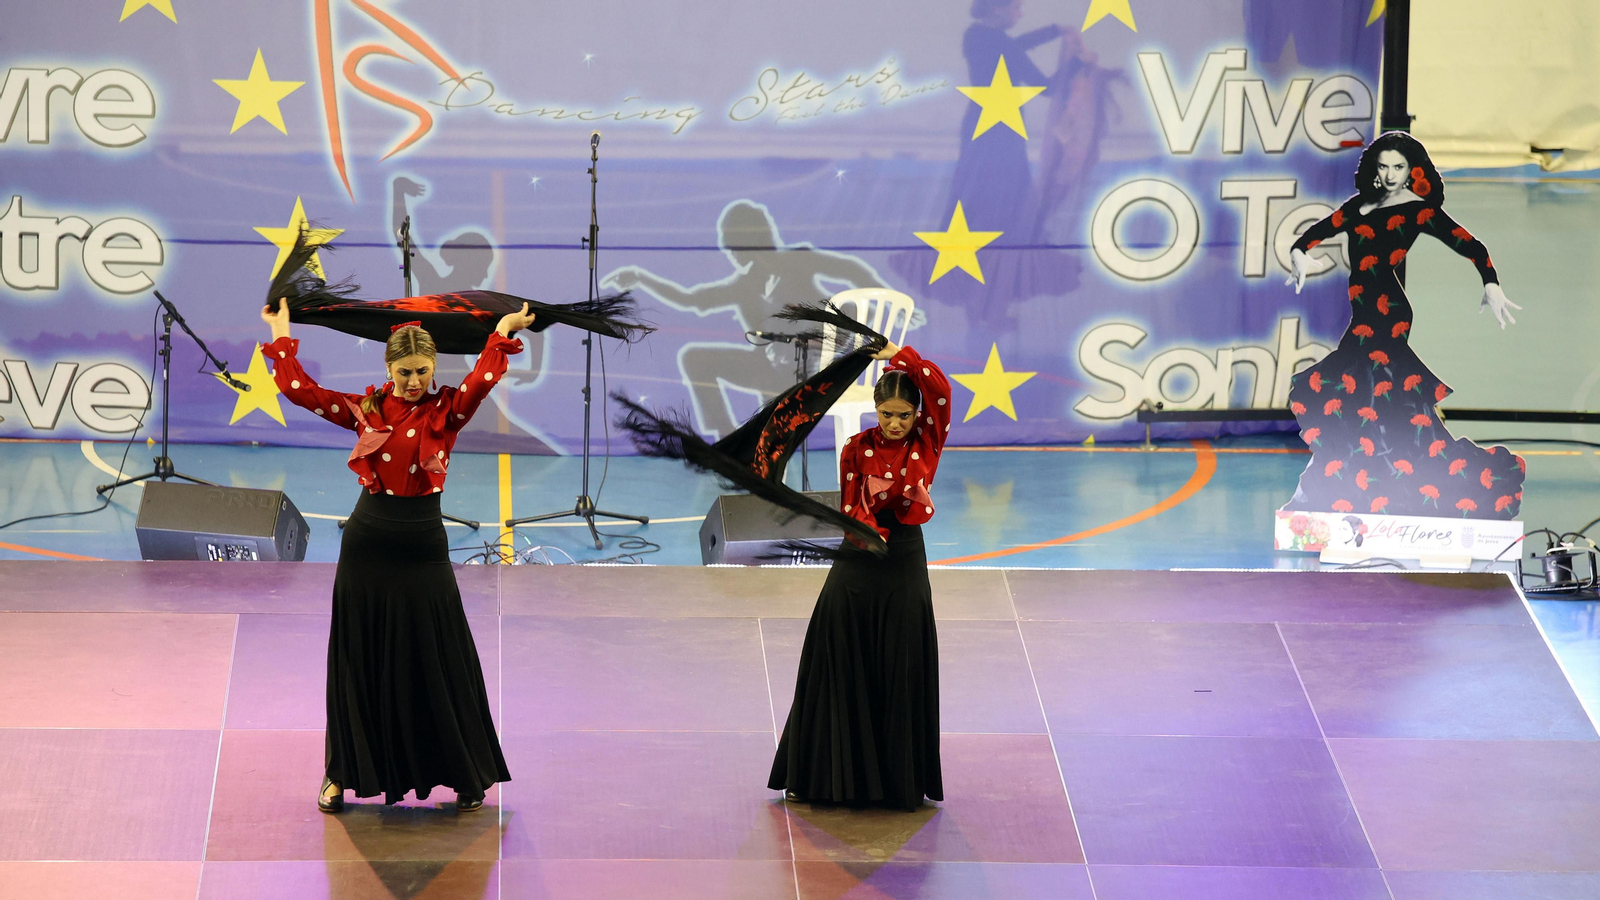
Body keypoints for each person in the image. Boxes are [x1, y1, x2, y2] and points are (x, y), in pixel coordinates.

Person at [259, 300, 536, 812]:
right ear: (387, 369)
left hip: (424, 548)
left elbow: (482, 379)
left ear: (434, 370)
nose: (414, 381)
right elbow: (301, 392)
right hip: (367, 548)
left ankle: (462, 774)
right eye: (405, 372)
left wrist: (501, 331)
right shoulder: (365, 410)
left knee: (439, 658)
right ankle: (339, 774)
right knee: (356, 662)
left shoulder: (447, 410)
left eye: (423, 372)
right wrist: (280, 331)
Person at [1285, 131, 1525, 519]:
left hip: (1388, 312)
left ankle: (1391, 477)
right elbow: (1316, 234)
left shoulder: (1418, 209)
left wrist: (1491, 283)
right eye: (1384, 166)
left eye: (1399, 166)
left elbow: (1470, 245)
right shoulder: (1358, 206)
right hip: (1363, 314)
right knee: (1368, 395)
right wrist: (1299, 254)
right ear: (1375, 169)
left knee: (1375, 394)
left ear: (1412, 169)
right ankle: (1369, 476)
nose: (1392, 173)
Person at [768, 340, 952, 810]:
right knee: (833, 643)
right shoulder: (856, 448)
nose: (894, 423)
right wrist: (868, 532)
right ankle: (820, 774)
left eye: (904, 415)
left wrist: (901, 354)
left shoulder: (928, 441)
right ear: (875, 410)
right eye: (887, 414)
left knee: (901, 657)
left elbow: (940, 389)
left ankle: (895, 782)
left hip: (904, 559)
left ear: (918, 416)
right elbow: (850, 505)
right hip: (860, 553)